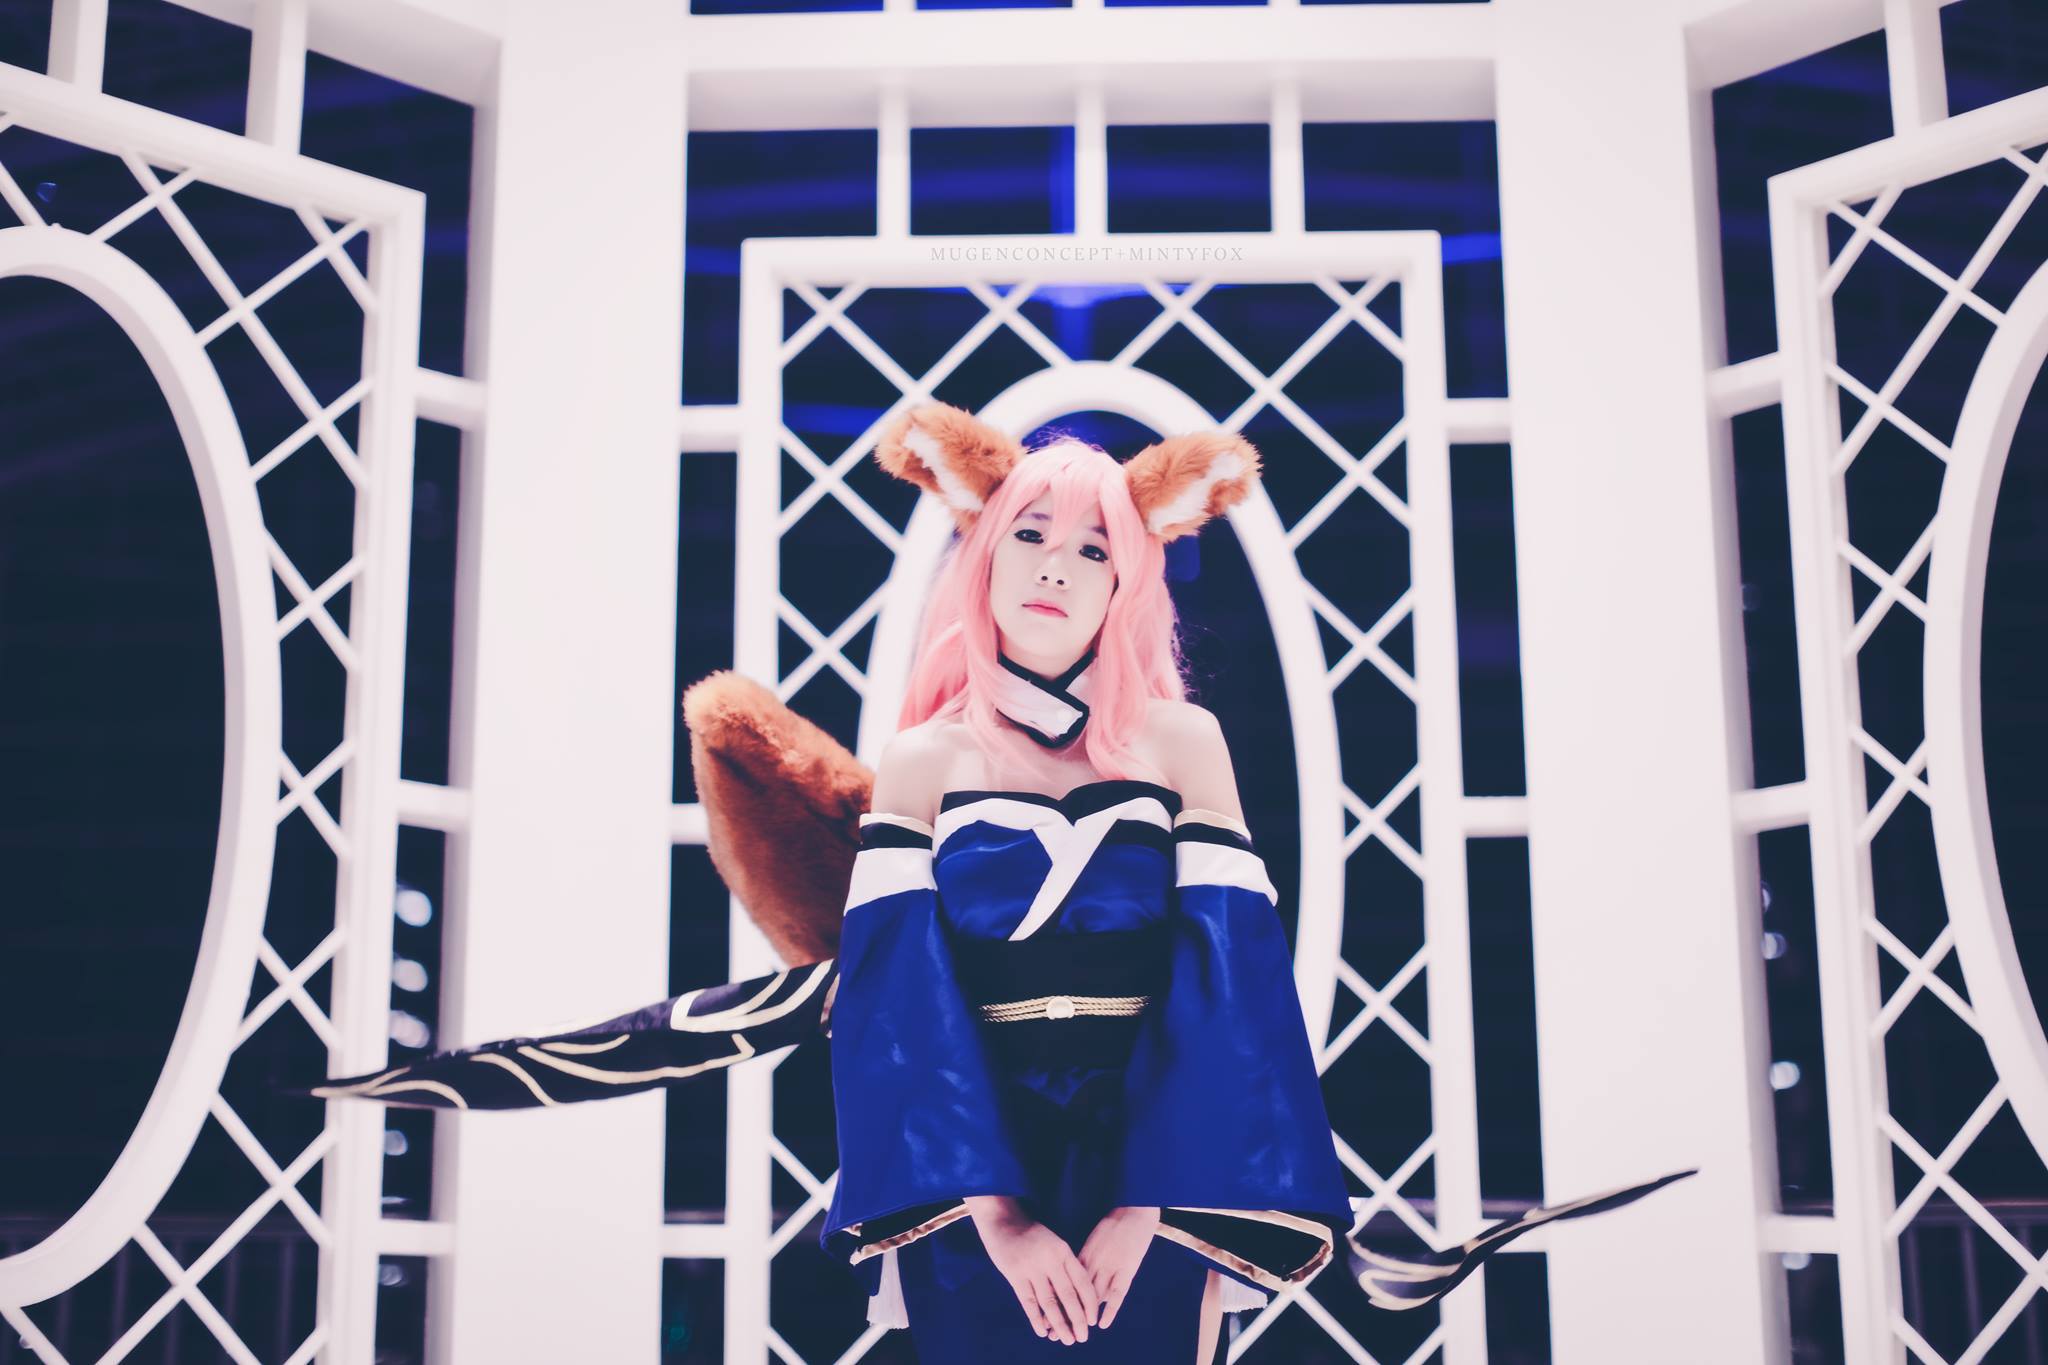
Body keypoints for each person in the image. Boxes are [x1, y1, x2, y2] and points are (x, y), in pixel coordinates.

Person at [815, 402, 1354, 1360]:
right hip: (971, 1168)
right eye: (1029, 535)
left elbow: (1231, 978)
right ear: (985, 554)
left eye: (1093, 548)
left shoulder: (1182, 742)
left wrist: (1150, 1201)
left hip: (1159, 1162)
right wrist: (996, 1215)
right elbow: (898, 1001)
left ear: (1127, 581)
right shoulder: (922, 759)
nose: (1055, 567)